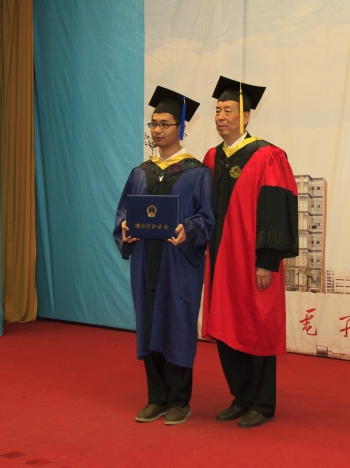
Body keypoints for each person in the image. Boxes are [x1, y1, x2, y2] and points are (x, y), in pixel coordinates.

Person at [201, 76, 298, 428]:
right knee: (226, 325)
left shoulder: (267, 155)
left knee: (257, 325)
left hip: (253, 260)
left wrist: (267, 260)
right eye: (217, 110)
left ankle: (262, 403)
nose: (220, 117)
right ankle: (241, 397)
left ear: (245, 117)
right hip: (220, 260)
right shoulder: (212, 157)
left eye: (228, 110)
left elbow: (276, 209)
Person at [113, 86, 214, 426]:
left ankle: (179, 401)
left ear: (180, 127)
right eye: (153, 123)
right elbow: (124, 213)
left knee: (177, 325)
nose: (157, 130)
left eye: (165, 124)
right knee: (149, 324)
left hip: (178, 264)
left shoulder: (197, 173)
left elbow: (206, 219)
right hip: (146, 262)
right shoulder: (140, 172)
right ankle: (156, 398)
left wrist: (190, 229)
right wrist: (125, 228)